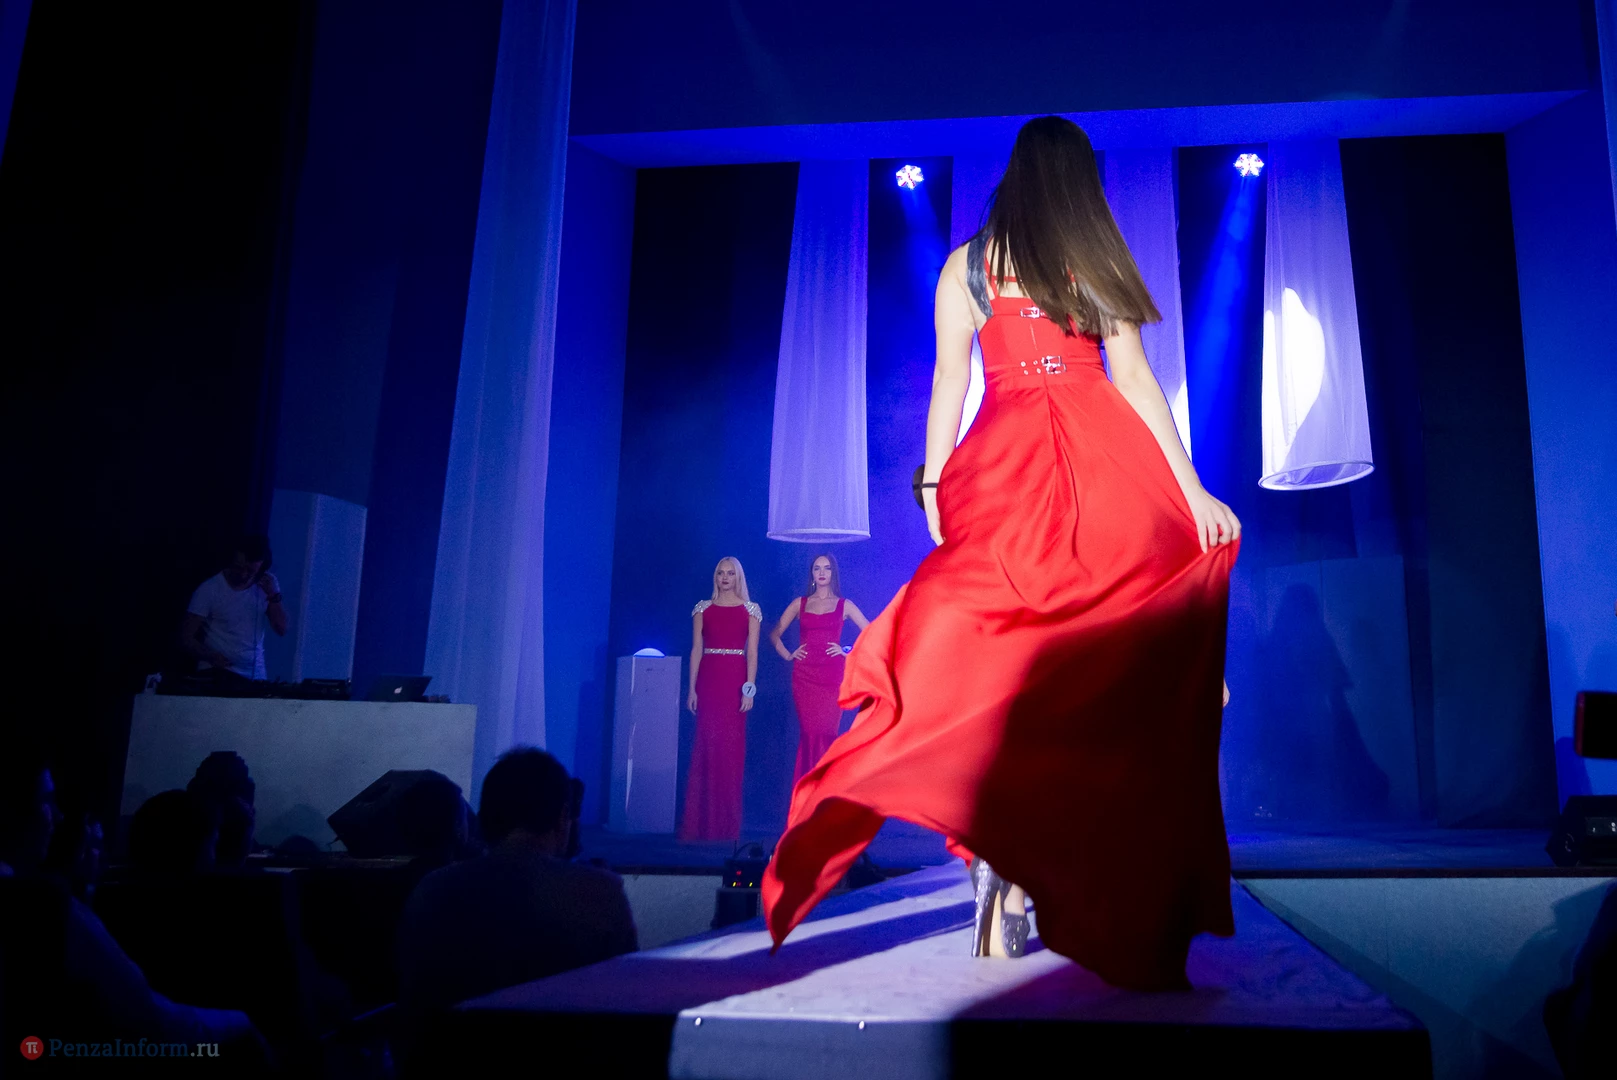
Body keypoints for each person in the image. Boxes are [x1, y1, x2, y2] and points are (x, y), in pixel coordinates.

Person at [762, 116, 1241, 991]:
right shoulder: (1089, 256)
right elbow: (1135, 381)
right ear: (1077, 181)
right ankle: (1031, 856)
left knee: (1005, 655)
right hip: (1098, 454)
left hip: (1006, 457)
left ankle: (1005, 857)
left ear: (1016, 174)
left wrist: (934, 481)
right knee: (1095, 658)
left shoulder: (967, 265)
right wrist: (1190, 488)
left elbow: (951, 380)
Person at [0, 742, 261, 1051]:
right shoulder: (49, 906)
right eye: (46, 800)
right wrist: (243, 1023)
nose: (58, 817)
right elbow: (151, 1018)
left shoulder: (82, 902)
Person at [395, 748, 637, 1016]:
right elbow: (626, 1006)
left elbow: (414, 1005)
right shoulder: (601, 892)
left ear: (483, 818)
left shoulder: (432, 891)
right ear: (563, 817)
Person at [678, 556, 763, 842]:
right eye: (720, 573)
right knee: (706, 746)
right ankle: (700, 824)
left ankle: (726, 825)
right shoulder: (702, 608)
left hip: (735, 680)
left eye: (730, 573)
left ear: (738, 577)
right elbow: (696, 650)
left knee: (730, 750)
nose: (725, 577)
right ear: (715, 577)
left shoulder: (751, 610)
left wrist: (749, 689)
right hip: (709, 680)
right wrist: (691, 689)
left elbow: (753, 653)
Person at [769, 553, 871, 787]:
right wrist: (788, 654)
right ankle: (807, 791)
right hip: (804, 677)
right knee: (810, 734)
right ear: (812, 574)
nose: (822, 572)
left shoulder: (844, 605)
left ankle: (826, 789)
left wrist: (847, 651)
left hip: (832, 677)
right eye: (817, 568)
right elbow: (774, 633)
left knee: (827, 733)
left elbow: (871, 631)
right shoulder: (800, 603)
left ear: (833, 573)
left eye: (826, 568)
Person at [178, 534, 288, 682]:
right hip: (216, 673)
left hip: (254, 676)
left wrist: (274, 596)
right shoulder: (210, 589)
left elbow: (281, 629)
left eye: (251, 571)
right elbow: (186, 637)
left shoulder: (266, 585)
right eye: (239, 568)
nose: (243, 575)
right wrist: (209, 655)